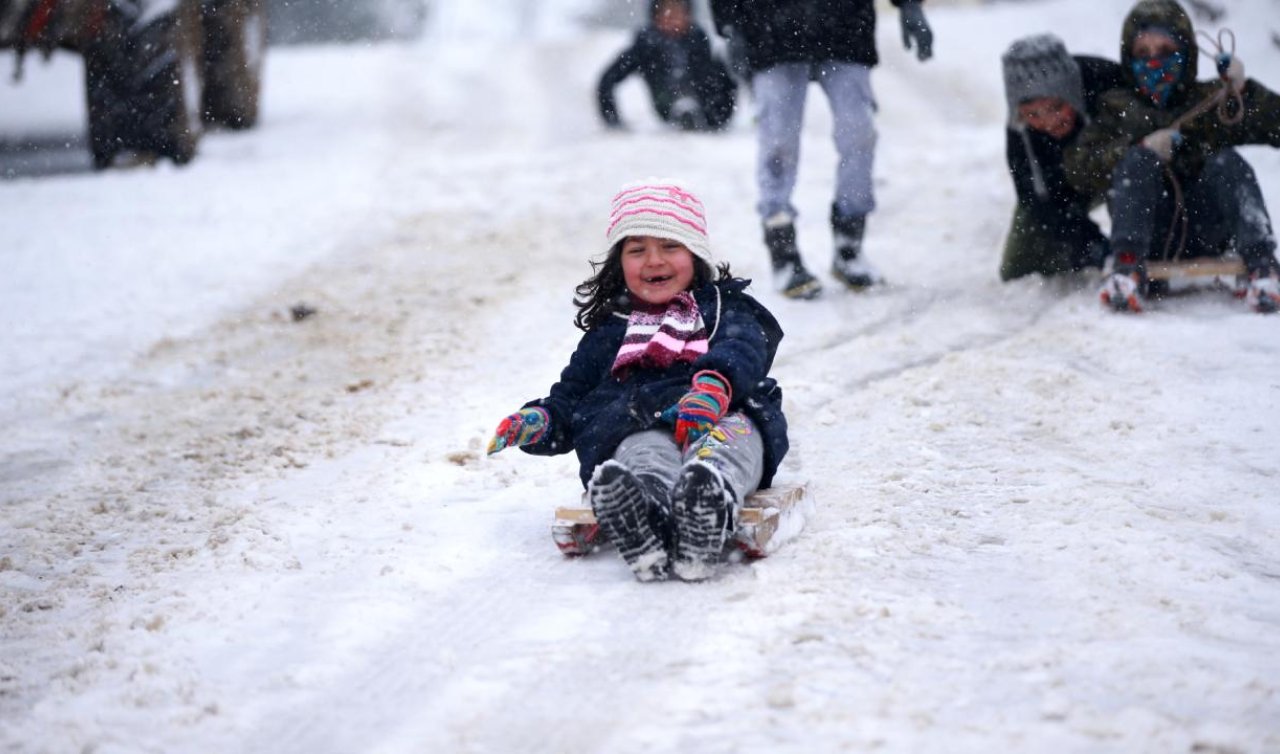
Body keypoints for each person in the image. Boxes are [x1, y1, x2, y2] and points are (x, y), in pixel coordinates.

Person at [486, 180, 789, 583]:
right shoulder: (609, 330)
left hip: (720, 415)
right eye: (637, 250)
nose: (653, 261)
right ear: (619, 262)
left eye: (669, 246)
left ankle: (707, 503)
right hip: (640, 424)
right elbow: (573, 396)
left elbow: (744, 346)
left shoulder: (723, 308)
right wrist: (540, 420)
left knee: (724, 448)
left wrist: (715, 386)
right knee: (642, 454)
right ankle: (643, 515)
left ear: (695, 254)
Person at [1063, 0, 1280, 313]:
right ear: (1129, 57)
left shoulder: (1209, 101)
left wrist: (1244, 92)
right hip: (1147, 233)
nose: (1154, 62)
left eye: (1164, 51)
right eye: (1143, 53)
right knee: (1137, 162)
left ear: (1185, 53)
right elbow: (1078, 168)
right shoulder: (1116, 108)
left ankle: (1262, 265)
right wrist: (1138, 151)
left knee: (1227, 161)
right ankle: (1126, 270)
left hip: (1206, 228)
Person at [710, 0, 935, 299]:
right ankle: (783, 249)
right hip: (770, 31)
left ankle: (849, 245)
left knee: (859, 134)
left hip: (845, 27)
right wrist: (729, 25)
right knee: (778, 142)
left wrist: (910, 5)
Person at [999, 35, 1125, 282]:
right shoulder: (1020, 132)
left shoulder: (1107, 82)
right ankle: (1073, 261)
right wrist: (1090, 246)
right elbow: (1038, 200)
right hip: (1064, 185)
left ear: (1071, 94)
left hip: (1116, 170)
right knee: (1017, 269)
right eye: (1033, 114)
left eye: (1056, 107)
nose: (1049, 122)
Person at [596, 0, 738, 132]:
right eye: (666, 12)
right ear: (655, 16)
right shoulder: (646, 45)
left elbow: (726, 82)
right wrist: (612, 120)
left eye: (677, 12)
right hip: (665, 101)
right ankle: (682, 109)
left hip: (707, 108)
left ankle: (693, 110)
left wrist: (721, 115)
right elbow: (608, 79)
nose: (672, 18)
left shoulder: (699, 40)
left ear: (688, 15)